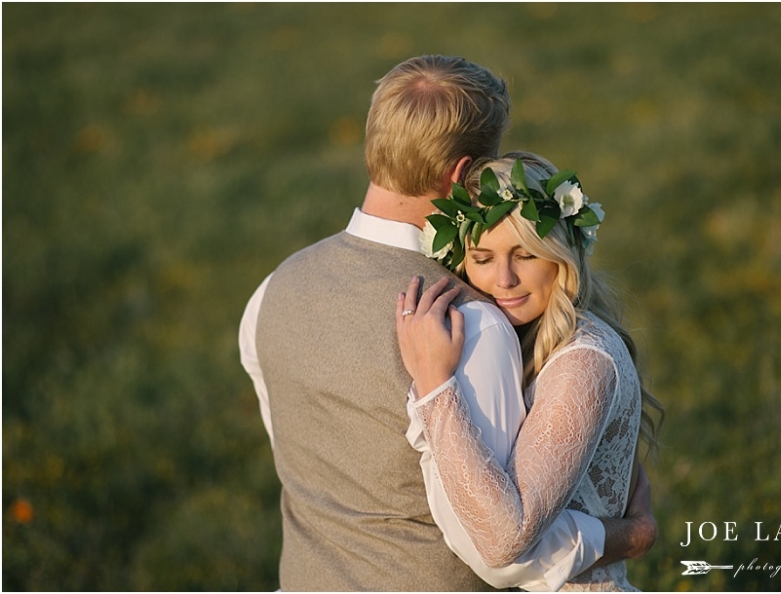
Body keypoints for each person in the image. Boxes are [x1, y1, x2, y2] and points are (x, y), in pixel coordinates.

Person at [239, 56, 656, 591]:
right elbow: (502, 555)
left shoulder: (270, 291)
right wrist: (625, 536)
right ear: (462, 176)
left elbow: (302, 463)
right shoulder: (470, 324)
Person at [395, 152, 664, 591]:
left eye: (525, 255)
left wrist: (434, 386)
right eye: (483, 258)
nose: (505, 279)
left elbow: (505, 540)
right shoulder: (521, 342)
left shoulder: (584, 360)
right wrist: (629, 535)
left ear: (561, 255)